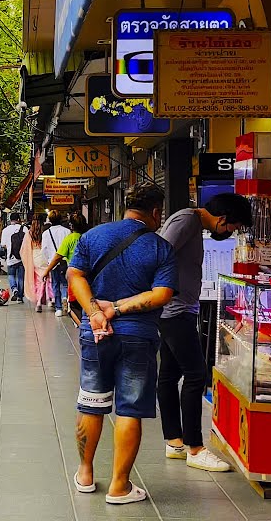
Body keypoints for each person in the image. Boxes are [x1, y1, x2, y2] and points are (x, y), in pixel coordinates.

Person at [67, 184, 177, 505]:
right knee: (129, 409)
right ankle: (119, 486)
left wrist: (95, 313)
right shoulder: (161, 247)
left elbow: (75, 276)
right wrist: (116, 309)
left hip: (95, 333)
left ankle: (85, 474)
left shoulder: (93, 236)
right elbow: (162, 294)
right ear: (156, 212)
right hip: (139, 336)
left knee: (91, 400)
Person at [156, 192, 252, 472]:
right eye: (233, 226)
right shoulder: (187, 220)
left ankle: (174, 441)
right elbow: (159, 253)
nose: (231, 232)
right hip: (176, 310)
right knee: (196, 374)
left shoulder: (191, 222)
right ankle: (195, 447)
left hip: (175, 308)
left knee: (169, 375)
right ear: (223, 218)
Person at [44, 213, 89, 323]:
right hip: (89, 274)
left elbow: (57, 257)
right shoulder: (88, 237)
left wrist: (47, 270)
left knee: (74, 303)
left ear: (72, 226)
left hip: (75, 275)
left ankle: (80, 324)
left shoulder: (69, 239)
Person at [42, 210, 72, 317]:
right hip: (65, 262)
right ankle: (65, 298)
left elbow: (44, 250)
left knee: (55, 284)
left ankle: (58, 308)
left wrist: (49, 260)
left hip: (53, 262)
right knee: (65, 283)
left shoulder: (46, 233)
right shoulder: (67, 231)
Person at [21, 213, 52, 312]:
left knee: (38, 280)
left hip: (34, 256)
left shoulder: (29, 233)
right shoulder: (45, 231)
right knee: (47, 278)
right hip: (44, 255)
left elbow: (24, 249)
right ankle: (49, 298)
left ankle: (38, 301)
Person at [1, 213, 27, 302]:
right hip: (22, 257)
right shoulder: (24, 228)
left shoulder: (5, 230)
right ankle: (20, 297)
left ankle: (14, 289)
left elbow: (3, 245)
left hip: (10, 257)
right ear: (18, 219)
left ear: (10, 219)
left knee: (11, 275)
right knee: (21, 277)